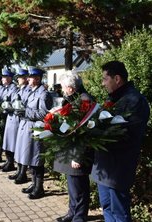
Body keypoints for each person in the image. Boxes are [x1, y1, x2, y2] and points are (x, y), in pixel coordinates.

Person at [91, 61, 150, 222]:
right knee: (107, 208)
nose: (102, 84)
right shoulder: (114, 99)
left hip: (118, 168)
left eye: (105, 79)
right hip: (104, 167)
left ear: (117, 79)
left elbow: (129, 136)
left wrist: (96, 135)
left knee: (119, 213)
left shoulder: (134, 101)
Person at [54, 72, 94, 222]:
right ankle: (72, 213)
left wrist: (78, 156)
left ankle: (79, 217)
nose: (62, 90)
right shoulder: (74, 99)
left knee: (79, 188)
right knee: (73, 187)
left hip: (78, 153)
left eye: (64, 87)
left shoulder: (85, 101)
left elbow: (85, 132)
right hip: (70, 150)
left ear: (70, 88)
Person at [17, 66, 53, 199]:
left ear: (37, 79)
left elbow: (44, 113)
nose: (28, 79)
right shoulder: (32, 91)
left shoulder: (43, 93)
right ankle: (33, 184)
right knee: (30, 156)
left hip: (36, 128)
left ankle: (39, 187)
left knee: (36, 158)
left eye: (31, 77)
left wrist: (25, 112)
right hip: (27, 127)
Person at [4, 68, 31, 182]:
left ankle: (22, 172)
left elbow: (25, 106)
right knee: (19, 148)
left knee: (22, 149)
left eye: (19, 77)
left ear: (25, 79)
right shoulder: (20, 90)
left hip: (23, 121)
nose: (18, 79)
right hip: (19, 120)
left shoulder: (28, 90)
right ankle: (19, 171)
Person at [0, 68, 17, 165]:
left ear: (9, 78)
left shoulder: (13, 88)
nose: (2, 79)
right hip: (2, 116)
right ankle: (7, 160)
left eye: (4, 77)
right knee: (4, 138)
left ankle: (10, 161)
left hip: (9, 116)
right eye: (2, 77)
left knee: (8, 139)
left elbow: (13, 103)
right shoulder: (5, 88)